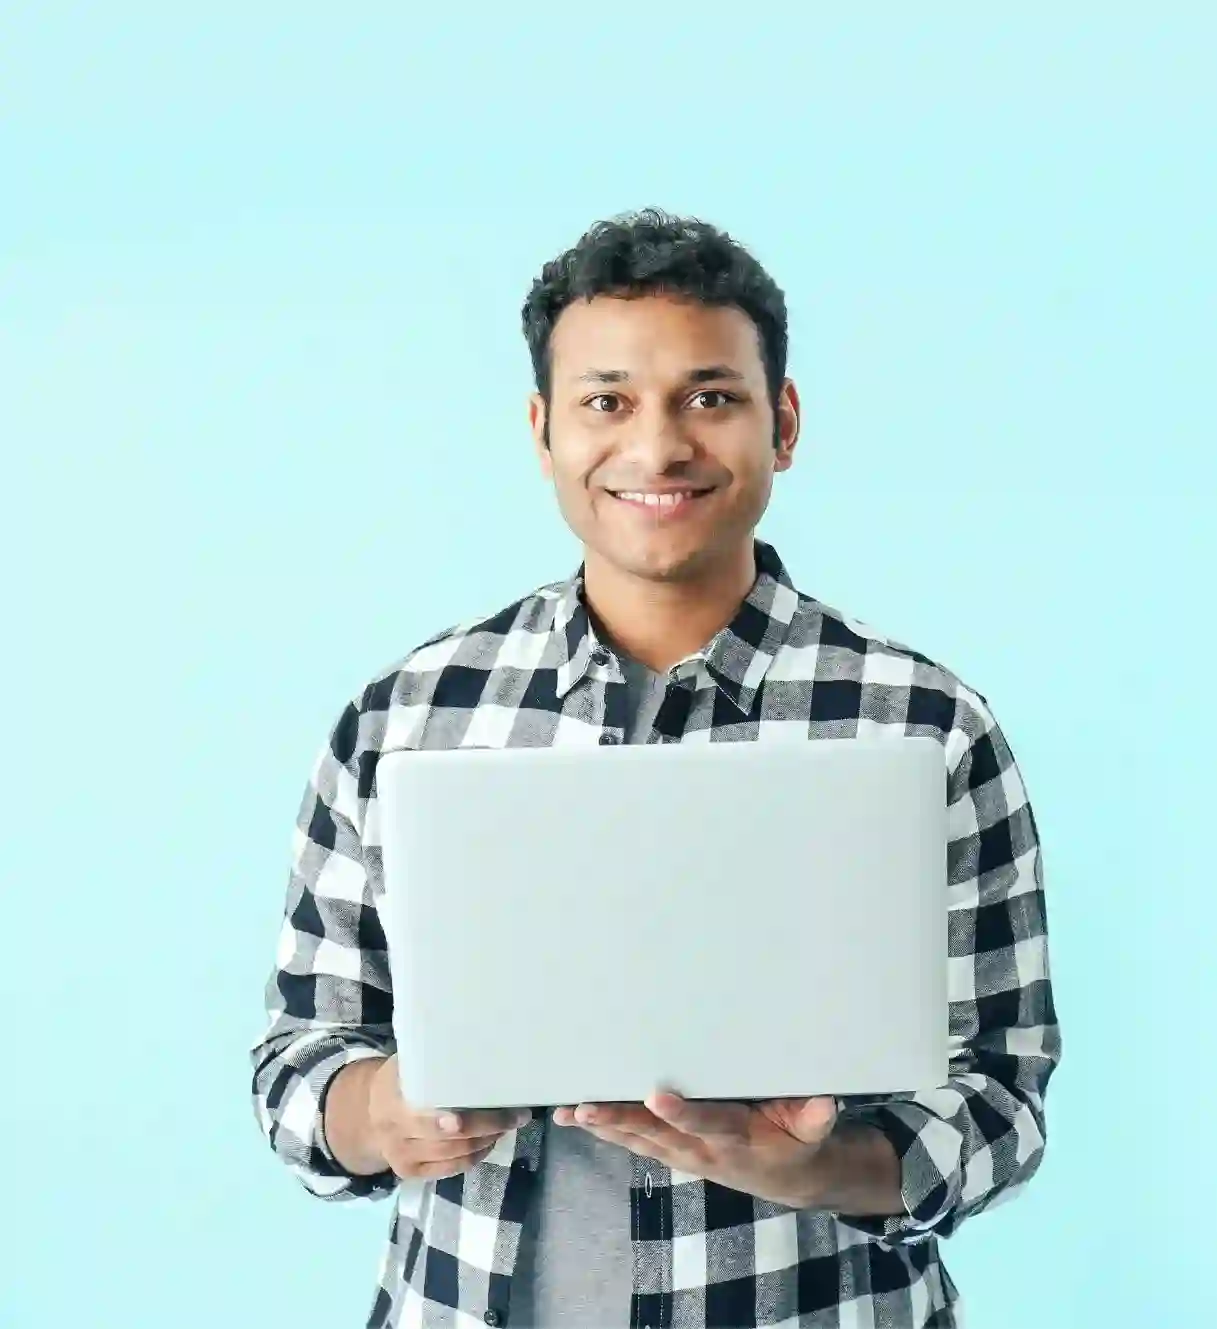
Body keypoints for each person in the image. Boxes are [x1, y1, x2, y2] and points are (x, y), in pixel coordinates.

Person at [249, 208, 1060, 1329]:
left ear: (781, 422)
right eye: (606, 401)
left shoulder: (923, 726)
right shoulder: (406, 717)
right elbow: (300, 1059)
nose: (657, 446)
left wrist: (809, 1168)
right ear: (542, 432)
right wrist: (382, 1111)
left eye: (709, 397)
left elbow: (1003, 1093)